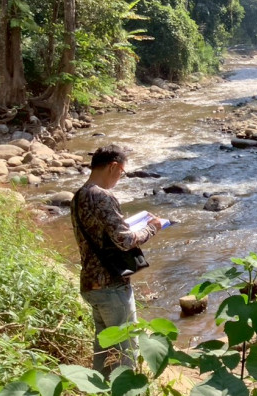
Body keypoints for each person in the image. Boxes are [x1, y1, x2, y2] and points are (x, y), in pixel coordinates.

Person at [71, 144, 163, 377]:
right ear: (113, 167)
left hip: (91, 283)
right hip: (111, 285)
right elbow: (125, 240)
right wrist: (152, 228)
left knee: (103, 350)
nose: (120, 177)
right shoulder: (103, 196)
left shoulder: (79, 195)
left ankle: (98, 389)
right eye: (122, 172)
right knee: (126, 352)